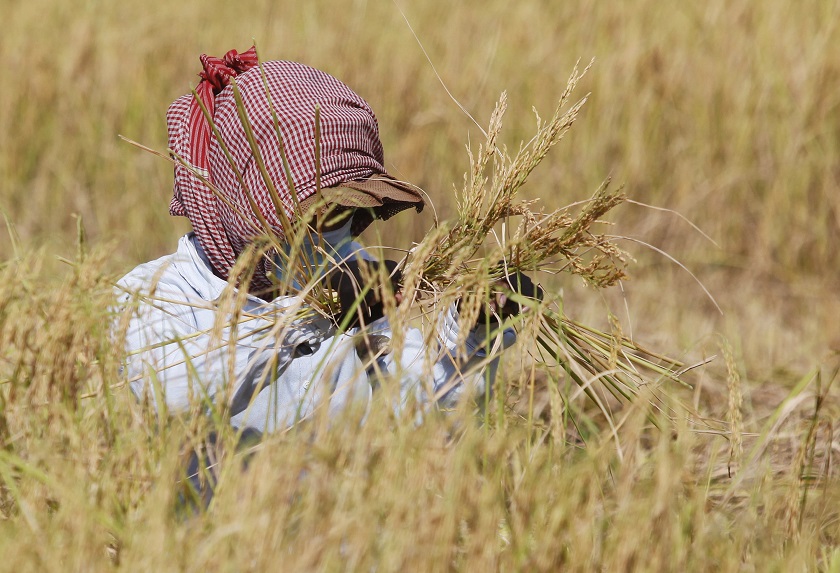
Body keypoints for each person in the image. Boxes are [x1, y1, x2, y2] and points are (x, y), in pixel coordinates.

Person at [115, 47, 541, 435]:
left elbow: (409, 408)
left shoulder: (348, 271)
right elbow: (173, 400)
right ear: (246, 205)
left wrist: (470, 334)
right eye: (314, 215)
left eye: (350, 213)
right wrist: (310, 317)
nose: (336, 233)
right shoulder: (155, 296)